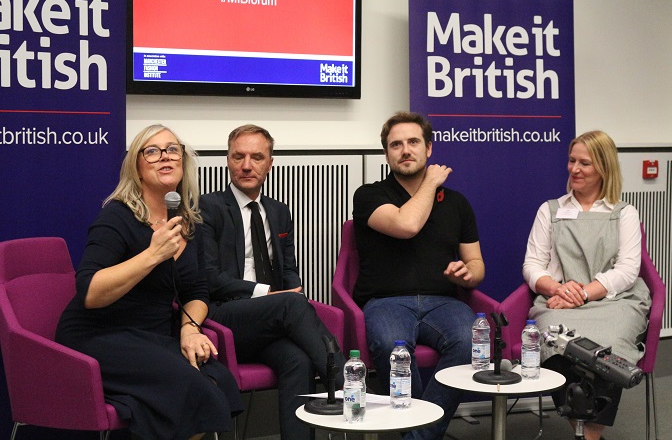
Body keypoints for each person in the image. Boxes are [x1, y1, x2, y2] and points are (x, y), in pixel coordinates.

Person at [55, 124, 243, 440]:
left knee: (216, 378)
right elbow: (89, 291)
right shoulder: (117, 217)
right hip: (100, 334)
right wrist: (153, 255)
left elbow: (197, 292)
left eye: (172, 150)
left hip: (151, 335)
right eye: (152, 151)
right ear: (137, 168)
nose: (164, 157)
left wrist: (189, 329)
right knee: (191, 388)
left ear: (183, 162)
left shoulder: (188, 221)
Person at [199, 124, 345, 440]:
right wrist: (269, 293)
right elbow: (209, 278)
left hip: (269, 322)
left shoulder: (278, 211)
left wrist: (290, 289)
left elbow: (289, 269)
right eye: (238, 156)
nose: (246, 165)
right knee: (291, 303)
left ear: (270, 163)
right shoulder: (208, 208)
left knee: (298, 360)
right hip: (224, 318)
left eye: (256, 157)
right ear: (227, 160)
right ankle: (347, 385)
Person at [352, 111, 485, 440]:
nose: (405, 150)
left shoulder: (456, 203)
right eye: (396, 144)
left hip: (443, 301)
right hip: (386, 301)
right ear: (386, 154)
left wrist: (467, 274)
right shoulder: (369, 195)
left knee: (472, 343)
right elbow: (406, 225)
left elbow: (477, 264)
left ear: (429, 148)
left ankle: (419, 434)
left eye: (413, 142)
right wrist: (430, 183)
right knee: (391, 349)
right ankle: (426, 434)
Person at [523, 130, 651, 440]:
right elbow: (532, 265)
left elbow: (627, 271)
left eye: (585, 163)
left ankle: (588, 435)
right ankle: (588, 434)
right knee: (556, 340)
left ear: (604, 168)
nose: (574, 169)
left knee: (608, 344)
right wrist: (555, 289)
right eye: (571, 161)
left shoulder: (624, 213)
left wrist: (580, 293)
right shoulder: (550, 210)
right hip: (559, 301)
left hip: (614, 301)